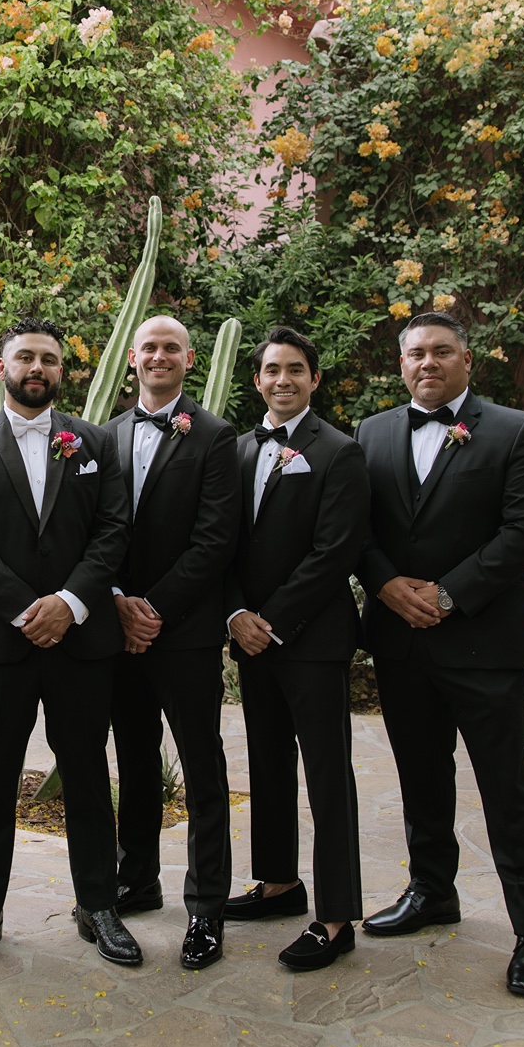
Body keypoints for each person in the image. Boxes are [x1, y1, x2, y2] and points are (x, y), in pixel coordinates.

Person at [356, 311, 524, 997]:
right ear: (401, 364)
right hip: (399, 639)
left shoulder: (512, 430)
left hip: (479, 639)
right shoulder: (372, 432)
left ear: (466, 361)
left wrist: (447, 595)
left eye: (442, 351)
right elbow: (353, 526)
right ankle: (431, 892)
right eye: (416, 353)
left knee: (506, 787)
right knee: (419, 777)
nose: (428, 362)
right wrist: (385, 586)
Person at [0, 316, 136, 977]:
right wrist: (28, 609)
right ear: (1, 366)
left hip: (80, 640)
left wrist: (70, 604)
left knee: (85, 775)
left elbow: (112, 531)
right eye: (26, 357)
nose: (37, 369)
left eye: (49, 360)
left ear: (61, 371)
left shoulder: (95, 442)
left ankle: (98, 906)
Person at [224, 326, 369, 970]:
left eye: (296, 370)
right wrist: (235, 615)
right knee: (268, 764)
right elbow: (217, 543)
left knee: (326, 776)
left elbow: (333, 552)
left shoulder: (338, 452)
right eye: (272, 370)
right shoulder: (233, 450)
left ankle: (336, 918)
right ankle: (279, 882)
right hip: (250, 638)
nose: (283, 380)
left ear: (314, 379)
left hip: (310, 639)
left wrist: (270, 619)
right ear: (256, 380)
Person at [105, 315, 240, 970]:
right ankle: (137, 878)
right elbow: (93, 534)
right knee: (133, 761)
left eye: (169, 348)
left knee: (201, 768)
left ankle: (206, 906)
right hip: (118, 634)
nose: (158, 356)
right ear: (133, 359)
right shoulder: (102, 438)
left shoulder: (215, 437)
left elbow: (215, 539)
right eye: (148, 347)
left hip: (182, 634)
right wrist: (115, 605)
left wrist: (152, 608)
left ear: (188, 359)